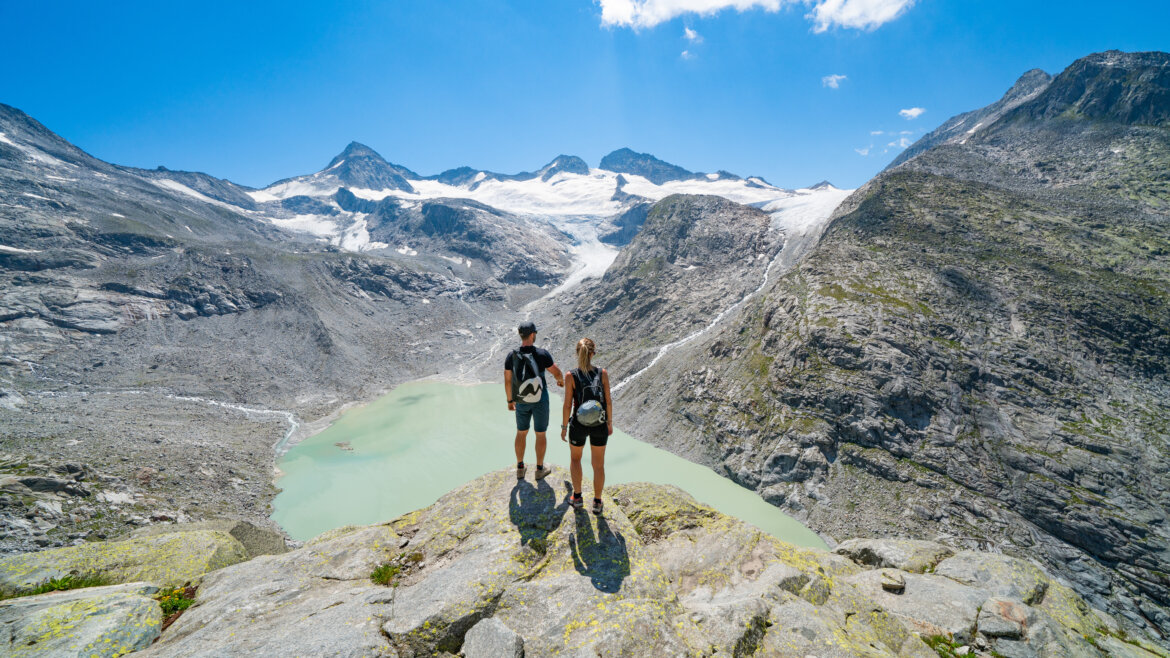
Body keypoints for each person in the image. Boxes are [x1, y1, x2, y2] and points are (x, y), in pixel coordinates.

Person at [504, 322, 564, 481]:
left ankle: (520, 468)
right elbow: (556, 372)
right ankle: (539, 469)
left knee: (521, 432)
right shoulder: (542, 354)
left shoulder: (512, 355)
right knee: (540, 433)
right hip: (540, 400)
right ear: (532, 335)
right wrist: (560, 381)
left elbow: (508, 380)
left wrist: (510, 400)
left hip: (521, 400)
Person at [560, 338, 613, 515]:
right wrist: (609, 423)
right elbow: (608, 401)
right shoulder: (602, 373)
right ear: (592, 353)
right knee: (598, 465)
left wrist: (564, 426)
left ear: (578, 353)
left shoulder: (570, 375)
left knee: (575, 459)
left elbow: (568, 404)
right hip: (599, 424)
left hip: (578, 424)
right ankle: (597, 502)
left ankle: (577, 497)